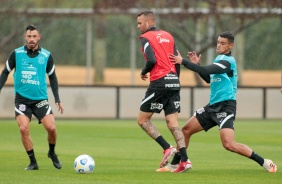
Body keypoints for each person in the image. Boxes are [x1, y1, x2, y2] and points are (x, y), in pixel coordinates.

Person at [167, 31, 277, 173]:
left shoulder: (228, 62)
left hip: (225, 106)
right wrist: (197, 65)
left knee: (229, 144)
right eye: (218, 42)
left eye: (223, 43)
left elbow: (207, 69)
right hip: (212, 106)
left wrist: (184, 62)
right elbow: (208, 77)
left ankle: (265, 162)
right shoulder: (218, 59)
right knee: (186, 130)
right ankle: (176, 164)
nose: (219, 45)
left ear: (231, 45)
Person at [0, 25, 64, 170]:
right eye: (29, 36)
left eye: (34, 36)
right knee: (23, 128)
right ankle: (33, 162)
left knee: (52, 128)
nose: (31, 39)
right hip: (22, 100)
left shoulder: (46, 56)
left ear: (39, 37)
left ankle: (52, 152)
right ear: (25, 37)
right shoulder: (16, 54)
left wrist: (57, 99)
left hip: (40, 100)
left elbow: (53, 77)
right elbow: (5, 72)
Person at [136, 10, 191, 173]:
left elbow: (151, 60)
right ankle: (185, 160)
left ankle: (167, 148)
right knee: (173, 124)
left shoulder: (145, 38)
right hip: (174, 82)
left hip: (159, 82)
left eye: (140, 23)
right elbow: (177, 61)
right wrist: (176, 81)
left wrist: (143, 71)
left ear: (149, 22)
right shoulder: (168, 36)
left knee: (142, 120)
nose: (138, 26)